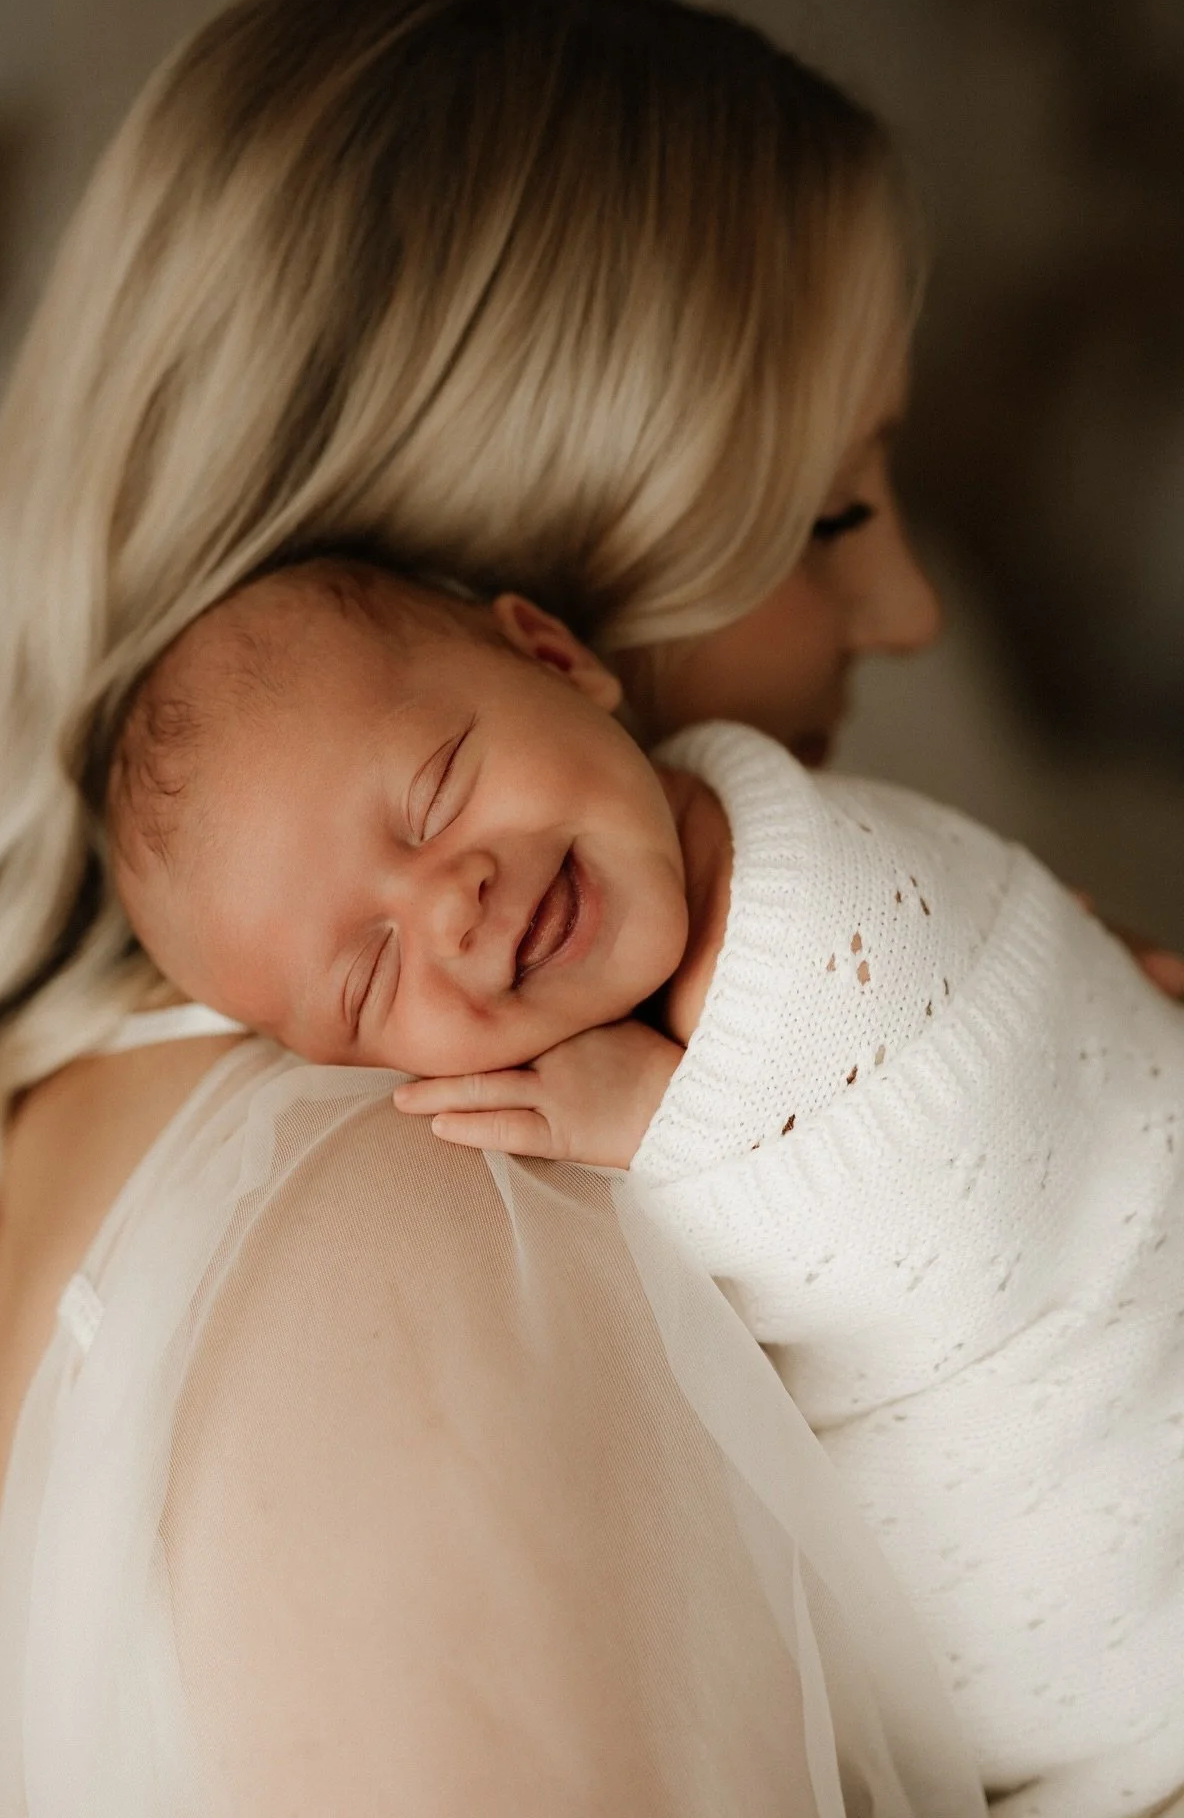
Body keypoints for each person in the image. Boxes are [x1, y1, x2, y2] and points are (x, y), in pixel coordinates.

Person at [0, 0, 1155, 1817]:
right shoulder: (429, 1197)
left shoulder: (146, 1104)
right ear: (533, 595)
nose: (901, 608)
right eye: (830, 508)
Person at [107, 551, 1184, 1815]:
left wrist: (669, 1134)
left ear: (558, 659)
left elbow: (975, 1188)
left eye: (438, 787)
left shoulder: (826, 905)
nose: (449, 909)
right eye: (370, 978)